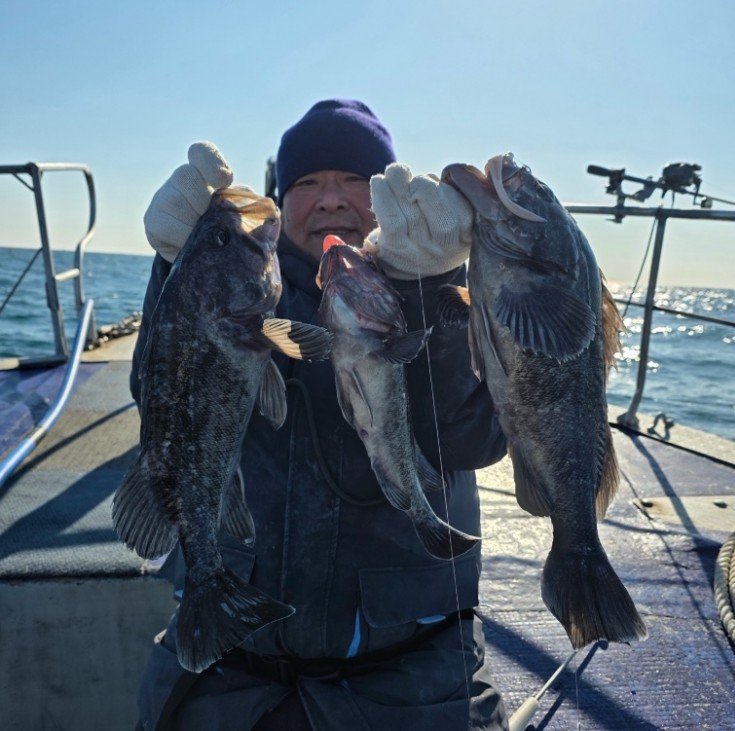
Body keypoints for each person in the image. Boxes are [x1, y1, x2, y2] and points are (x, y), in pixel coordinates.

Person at [131, 99, 510, 731]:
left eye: (354, 179)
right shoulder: (237, 285)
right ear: (281, 201)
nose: (330, 199)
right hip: (230, 672)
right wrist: (176, 270)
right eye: (306, 182)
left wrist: (427, 291)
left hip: (411, 679)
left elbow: (474, 438)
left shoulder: (448, 292)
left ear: (387, 196)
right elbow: (160, 399)